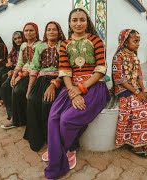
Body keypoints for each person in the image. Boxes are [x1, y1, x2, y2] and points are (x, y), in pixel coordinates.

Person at [43, 8, 110, 179]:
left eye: (82, 20)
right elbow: (65, 71)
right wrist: (72, 91)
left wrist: (80, 89)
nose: (78, 23)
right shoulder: (65, 44)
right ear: (70, 23)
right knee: (53, 117)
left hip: (95, 86)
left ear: (87, 22)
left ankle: (67, 151)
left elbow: (101, 70)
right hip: (71, 87)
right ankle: (58, 150)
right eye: (74, 20)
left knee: (68, 119)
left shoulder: (96, 41)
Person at [23, 21, 66, 152]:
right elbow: (35, 67)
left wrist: (54, 84)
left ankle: (50, 139)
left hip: (58, 80)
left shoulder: (64, 46)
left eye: (54, 30)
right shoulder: (40, 47)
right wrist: (30, 87)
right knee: (31, 100)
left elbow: (66, 68)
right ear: (45, 33)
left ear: (59, 32)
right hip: (41, 80)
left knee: (47, 102)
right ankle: (36, 138)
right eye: (49, 30)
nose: (51, 32)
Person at [112, 29, 147, 158]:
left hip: (135, 88)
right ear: (125, 42)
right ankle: (135, 144)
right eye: (135, 41)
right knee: (138, 108)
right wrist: (137, 93)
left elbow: (139, 76)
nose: (138, 44)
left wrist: (143, 91)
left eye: (138, 41)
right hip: (123, 90)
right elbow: (120, 79)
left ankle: (140, 139)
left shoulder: (134, 56)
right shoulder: (118, 56)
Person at [1, 22, 41, 129]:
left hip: (33, 74)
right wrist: (14, 76)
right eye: (26, 30)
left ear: (36, 32)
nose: (28, 33)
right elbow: (20, 63)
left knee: (17, 90)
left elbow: (35, 65)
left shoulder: (40, 45)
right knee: (6, 86)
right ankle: (12, 115)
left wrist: (21, 76)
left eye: (31, 30)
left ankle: (18, 120)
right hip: (21, 72)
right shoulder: (23, 45)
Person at [0, 31, 25, 120]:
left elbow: (26, 65)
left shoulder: (26, 47)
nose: (17, 40)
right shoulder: (15, 49)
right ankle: (10, 113)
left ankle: (15, 114)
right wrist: (10, 61)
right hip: (15, 70)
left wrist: (14, 71)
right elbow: (9, 55)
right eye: (15, 39)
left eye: (19, 38)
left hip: (23, 72)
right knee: (4, 86)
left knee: (9, 86)